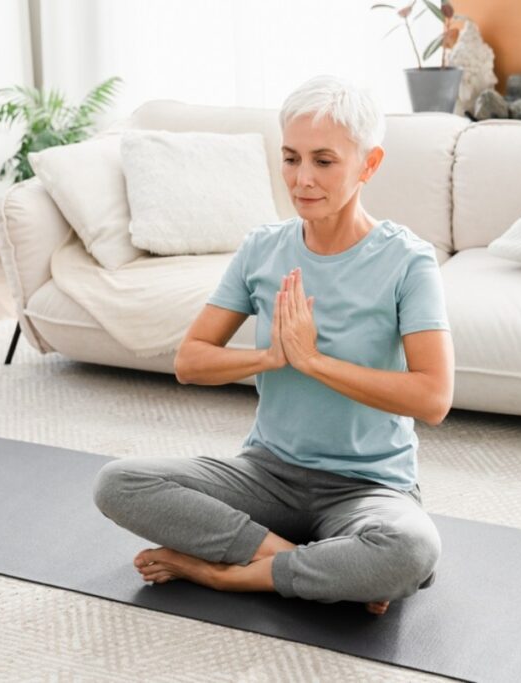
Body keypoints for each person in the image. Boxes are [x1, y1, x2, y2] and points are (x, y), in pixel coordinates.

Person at [92, 74, 454, 616]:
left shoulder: (408, 261)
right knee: (119, 483)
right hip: (266, 475)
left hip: (368, 488)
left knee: (411, 548)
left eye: (324, 161)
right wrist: (270, 357)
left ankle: (225, 576)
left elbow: (433, 398)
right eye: (291, 158)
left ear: (369, 164)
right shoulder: (263, 248)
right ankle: (312, 567)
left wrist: (314, 361)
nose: (302, 179)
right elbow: (190, 361)